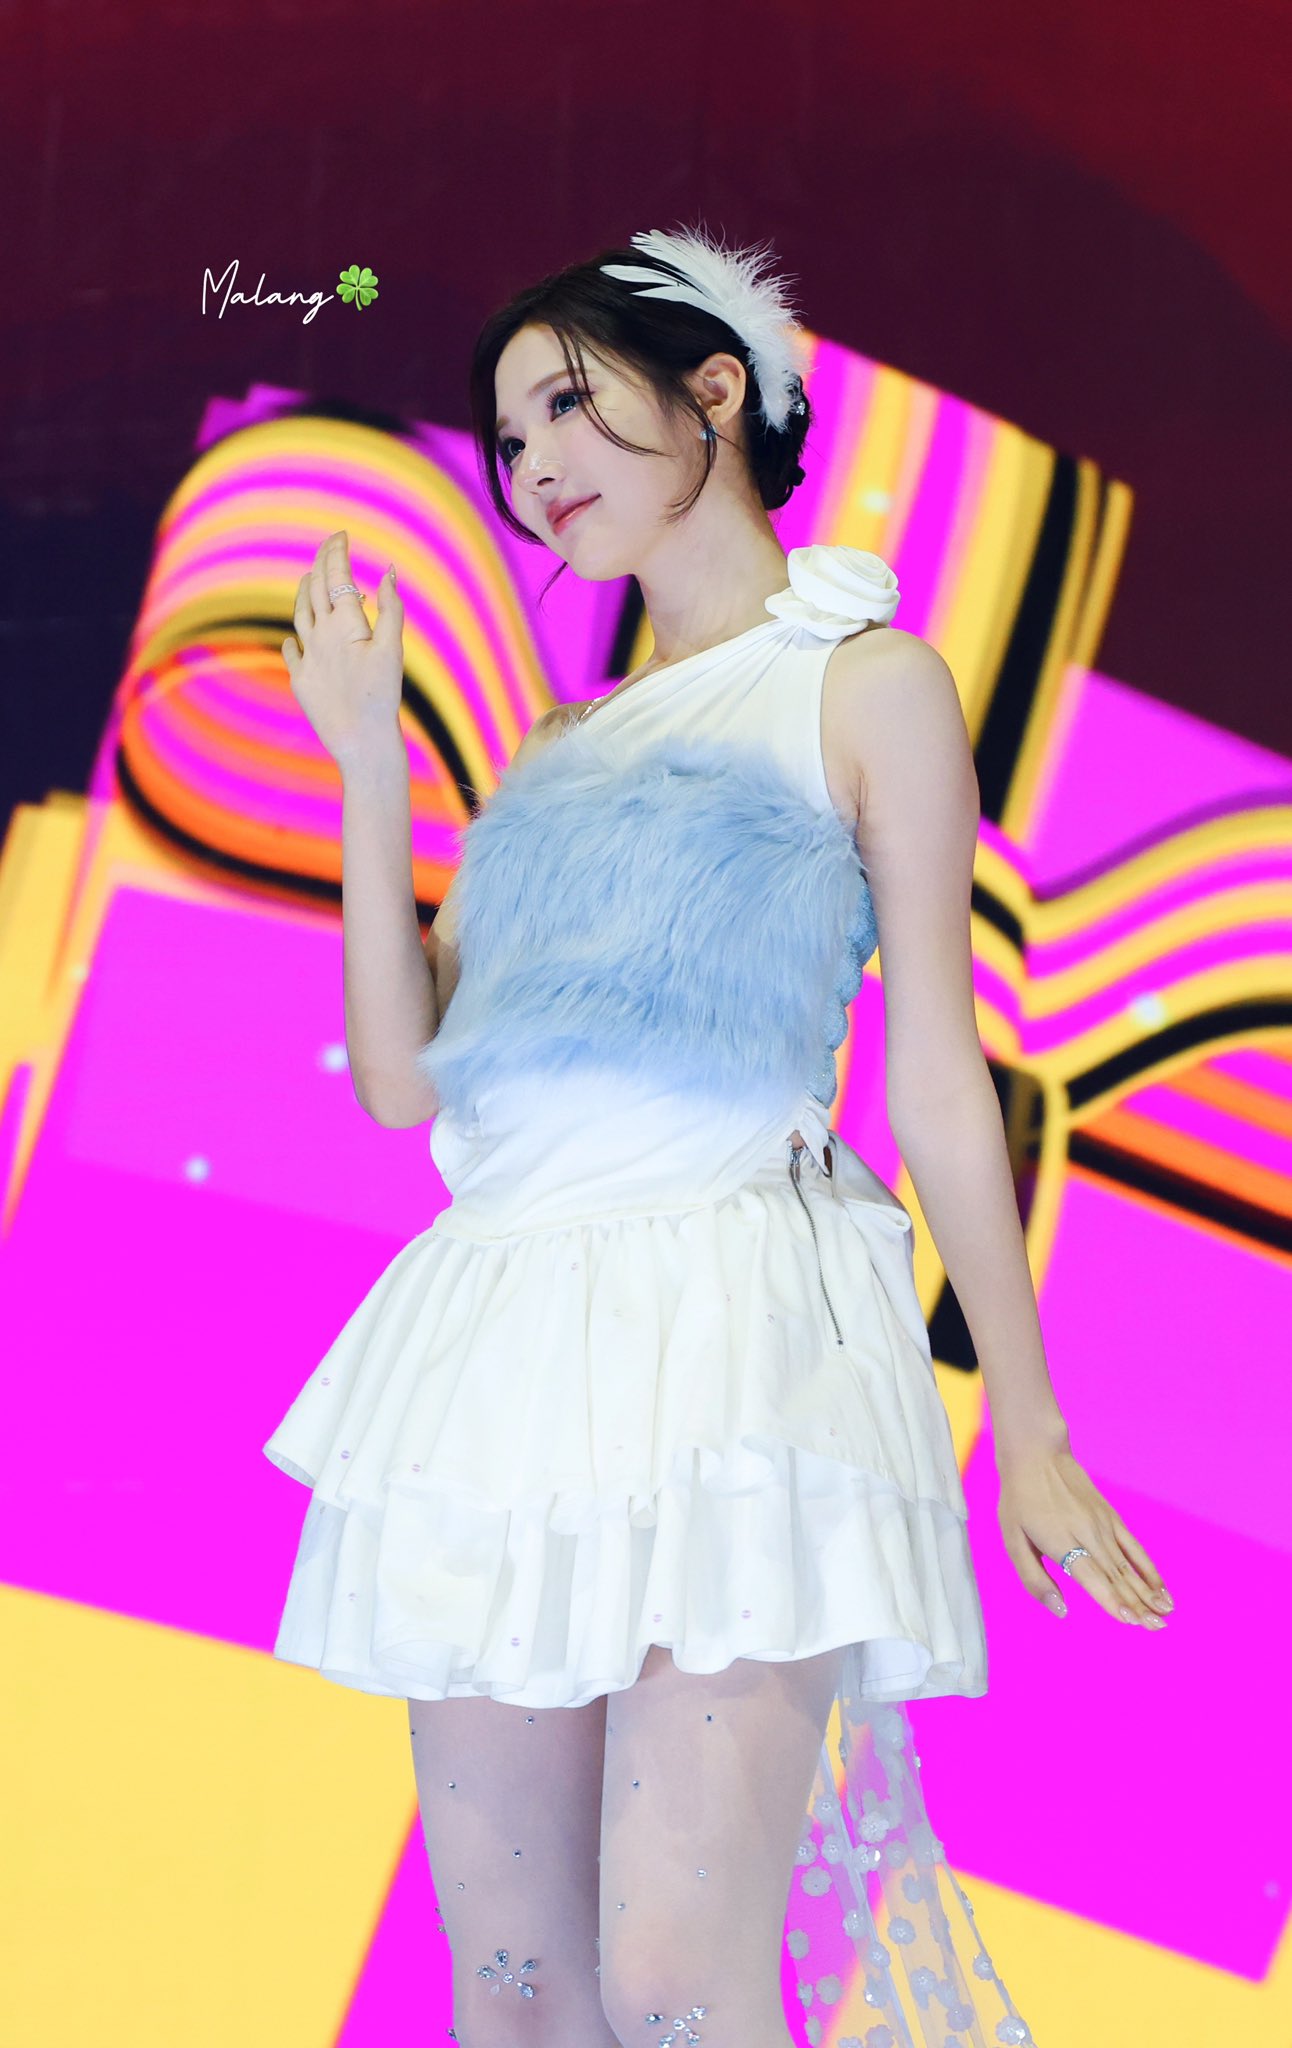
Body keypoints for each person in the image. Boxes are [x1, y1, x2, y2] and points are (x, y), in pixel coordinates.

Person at [264, 224, 1172, 2048]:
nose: (534, 463)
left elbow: (940, 1080)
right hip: (505, 1348)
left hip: (737, 1331)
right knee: (520, 1992)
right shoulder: (556, 748)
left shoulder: (865, 685)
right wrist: (366, 764)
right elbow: (404, 1080)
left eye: (568, 403)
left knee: (676, 1976)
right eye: (510, 435)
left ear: (717, 389)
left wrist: (1031, 1423)